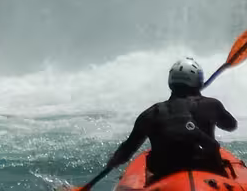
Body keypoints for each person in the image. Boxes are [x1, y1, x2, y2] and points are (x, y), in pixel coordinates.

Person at [102, 56, 238, 184]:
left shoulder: (150, 113)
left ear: (171, 82)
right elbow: (231, 125)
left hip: (165, 176)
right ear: (198, 81)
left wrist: (113, 162)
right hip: (209, 171)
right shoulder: (211, 105)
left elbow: (127, 150)